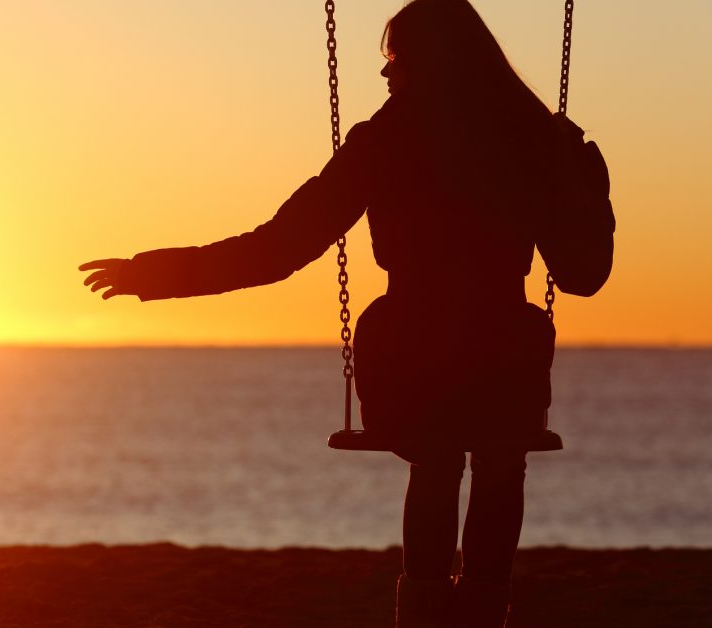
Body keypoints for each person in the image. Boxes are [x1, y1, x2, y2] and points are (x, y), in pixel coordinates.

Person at [81, 1, 575, 626]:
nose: (387, 76)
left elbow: (276, 249)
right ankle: (482, 607)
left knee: (439, 455)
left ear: (428, 64)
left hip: (415, 356)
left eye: (395, 60)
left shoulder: (387, 143)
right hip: (505, 356)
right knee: (499, 459)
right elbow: (584, 273)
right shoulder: (532, 138)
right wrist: (578, 173)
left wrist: (150, 273)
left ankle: (425, 612)